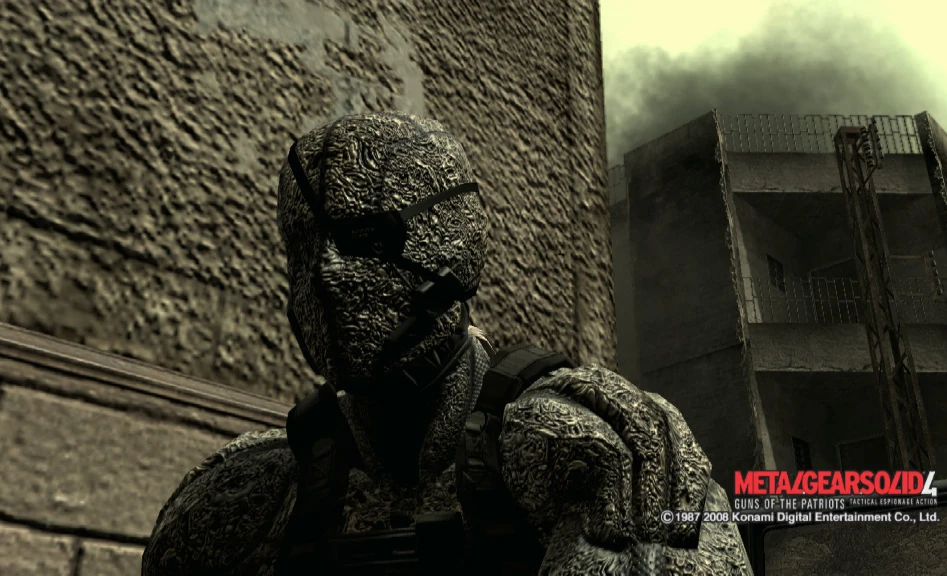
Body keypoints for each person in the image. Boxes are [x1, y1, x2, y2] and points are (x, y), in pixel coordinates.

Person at [141, 111, 753, 575]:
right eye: (306, 247)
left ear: (450, 245)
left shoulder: (577, 453)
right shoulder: (245, 498)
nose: (327, 274)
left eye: (363, 239)